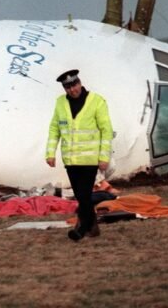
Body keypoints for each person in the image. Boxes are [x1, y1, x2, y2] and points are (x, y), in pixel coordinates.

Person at [45, 69, 113, 242]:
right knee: (82, 197)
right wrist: (50, 153)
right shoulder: (60, 103)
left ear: (80, 83)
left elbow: (106, 131)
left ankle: (81, 229)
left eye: (74, 85)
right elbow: (54, 129)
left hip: (89, 159)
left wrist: (104, 157)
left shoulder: (96, 101)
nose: (72, 90)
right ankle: (93, 227)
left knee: (83, 196)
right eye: (68, 87)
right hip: (71, 160)